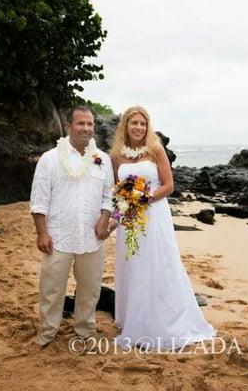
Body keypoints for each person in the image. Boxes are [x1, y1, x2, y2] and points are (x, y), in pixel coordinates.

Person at [110, 105, 215, 350]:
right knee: (133, 265)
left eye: (143, 123)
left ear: (148, 127)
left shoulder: (155, 150)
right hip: (131, 220)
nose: (138, 127)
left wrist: (142, 199)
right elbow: (119, 193)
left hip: (155, 216)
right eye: (134, 123)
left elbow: (168, 186)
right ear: (125, 126)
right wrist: (115, 219)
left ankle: (163, 321)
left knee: (158, 264)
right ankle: (135, 320)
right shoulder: (117, 156)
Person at [28, 106, 116, 351]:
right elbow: (38, 201)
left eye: (89, 124)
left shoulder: (103, 160)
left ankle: (85, 332)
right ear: (69, 126)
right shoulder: (49, 159)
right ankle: (46, 333)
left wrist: (104, 218)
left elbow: (109, 196)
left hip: (92, 238)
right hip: (58, 237)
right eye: (81, 124)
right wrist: (42, 232)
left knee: (89, 289)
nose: (86, 129)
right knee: (51, 289)